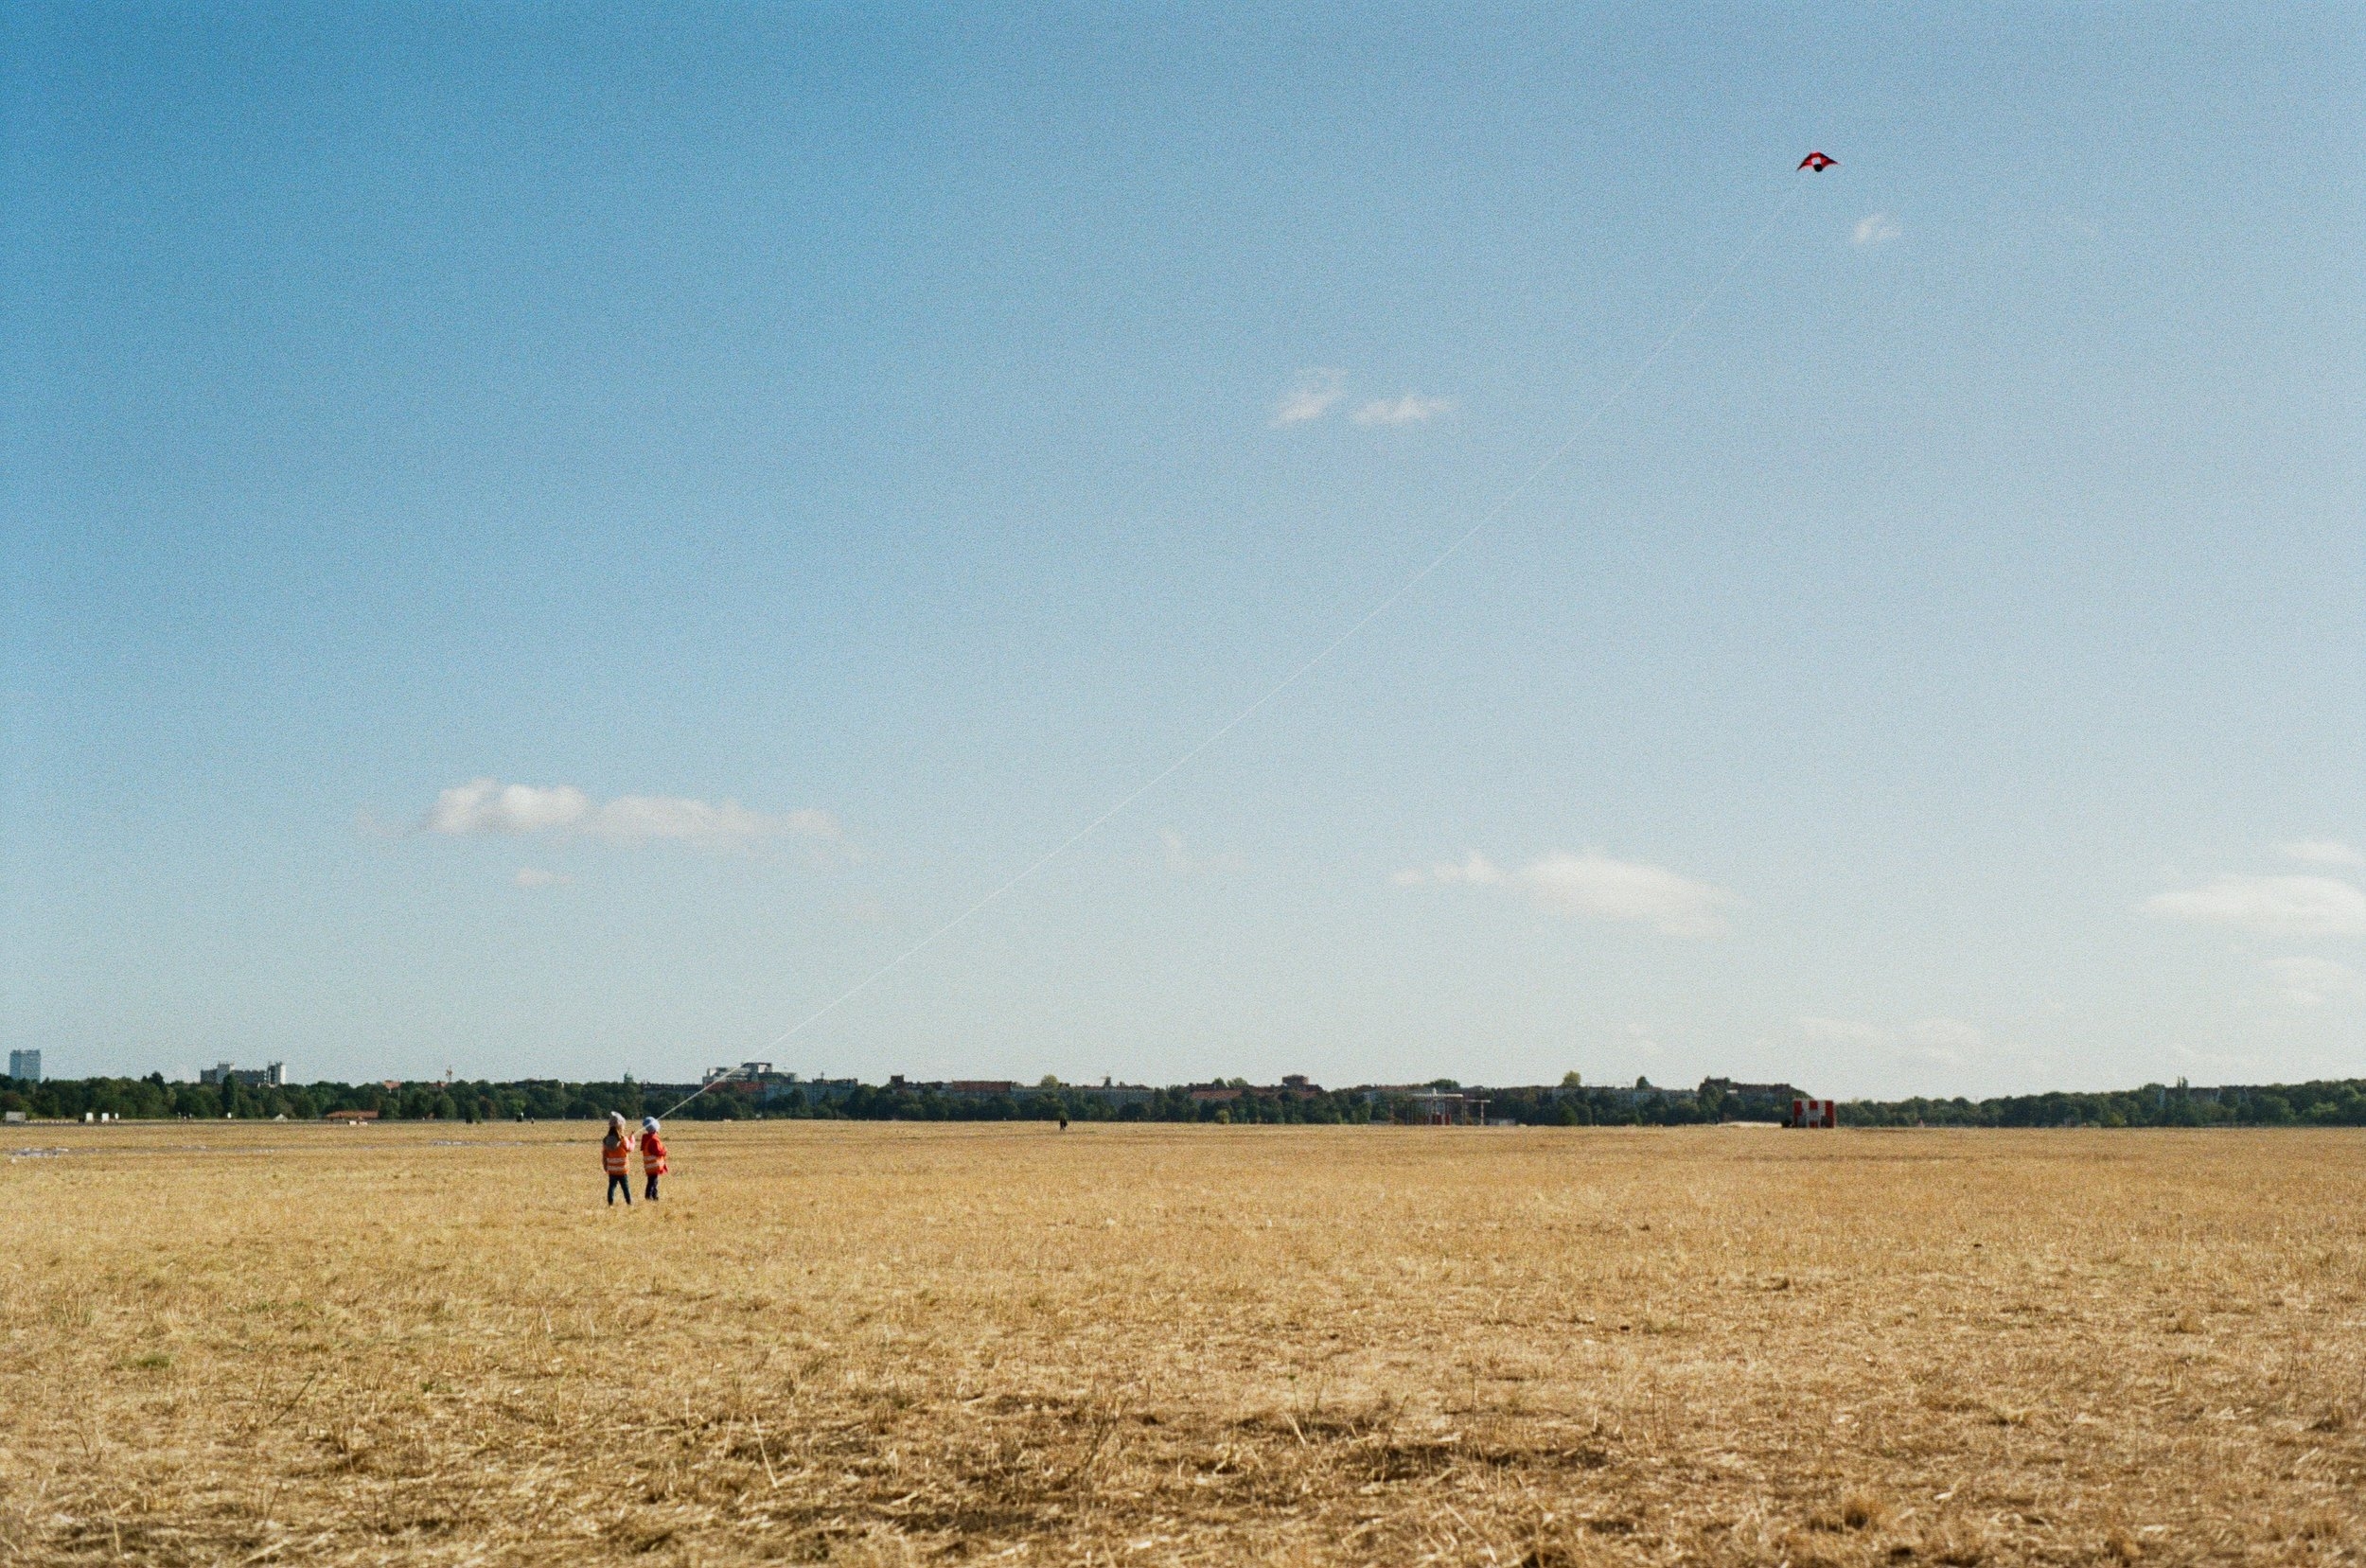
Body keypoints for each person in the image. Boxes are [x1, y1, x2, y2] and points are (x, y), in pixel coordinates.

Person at [601, 1112, 634, 1206]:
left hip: (612, 1169)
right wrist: (632, 1139)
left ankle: (610, 1203)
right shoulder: (624, 1139)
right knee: (625, 1187)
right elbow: (630, 1148)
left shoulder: (606, 1140)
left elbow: (604, 1154)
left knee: (611, 1187)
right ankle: (629, 1203)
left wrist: (605, 1166)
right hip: (623, 1169)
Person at [640, 1116, 668, 1202]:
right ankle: (649, 1197)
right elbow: (657, 1151)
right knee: (653, 1182)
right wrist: (664, 1151)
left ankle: (655, 1197)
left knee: (653, 1181)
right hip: (654, 1165)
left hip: (649, 1166)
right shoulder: (654, 1140)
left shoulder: (646, 1138)